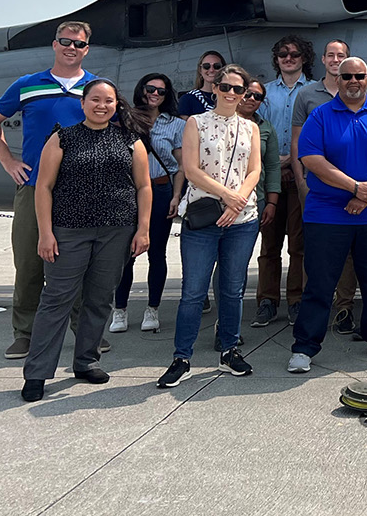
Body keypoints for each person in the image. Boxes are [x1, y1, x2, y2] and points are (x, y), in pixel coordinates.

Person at [21, 79, 151, 401]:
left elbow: (144, 187)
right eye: (95, 99)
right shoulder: (62, 138)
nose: (101, 106)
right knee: (56, 300)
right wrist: (46, 232)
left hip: (116, 231)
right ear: (83, 103)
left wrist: (143, 229)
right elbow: (43, 188)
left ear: (115, 105)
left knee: (99, 298)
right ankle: (37, 373)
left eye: (108, 101)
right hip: (68, 232)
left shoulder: (130, 141)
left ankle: (86, 361)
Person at [0, 20, 103, 361]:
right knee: (30, 262)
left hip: (81, 191)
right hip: (34, 187)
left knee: (81, 264)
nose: (71, 48)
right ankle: (25, 334)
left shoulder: (95, 87)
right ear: (54, 44)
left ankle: (86, 332)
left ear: (86, 49)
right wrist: (8, 161)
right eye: (65, 41)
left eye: (78, 44)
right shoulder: (28, 85)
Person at [288, 57, 367, 373]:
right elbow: (311, 158)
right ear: (338, 81)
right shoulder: (321, 116)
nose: (353, 81)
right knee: (320, 283)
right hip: (328, 215)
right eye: (347, 77)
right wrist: (355, 188)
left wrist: (366, 195)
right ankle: (304, 347)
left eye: (359, 76)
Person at [157, 65, 262, 388]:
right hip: (204, 216)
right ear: (214, 88)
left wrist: (238, 201)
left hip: (242, 220)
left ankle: (229, 350)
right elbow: (191, 169)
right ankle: (182, 356)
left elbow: (254, 170)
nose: (232, 94)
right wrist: (228, 196)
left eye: (239, 90)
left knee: (232, 289)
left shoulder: (250, 128)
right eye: (226, 87)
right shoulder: (196, 122)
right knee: (193, 291)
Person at [110, 73, 184, 335]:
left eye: (161, 91)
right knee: (126, 255)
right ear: (141, 90)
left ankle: (152, 308)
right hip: (131, 191)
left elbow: (181, 166)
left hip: (162, 188)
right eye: (150, 89)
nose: (155, 94)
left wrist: (176, 196)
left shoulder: (175, 125)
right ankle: (120, 310)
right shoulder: (126, 120)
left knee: (157, 253)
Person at [285, 38, 349, 329]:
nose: (336, 60)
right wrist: (301, 181)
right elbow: (297, 141)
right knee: (315, 249)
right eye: (331, 55)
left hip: (349, 185)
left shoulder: (355, 91)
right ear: (323, 60)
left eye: (341, 56)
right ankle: (313, 309)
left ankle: (344, 308)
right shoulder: (308, 95)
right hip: (315, 186)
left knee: (347, 250)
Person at [254, 34, 315, 329]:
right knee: (269, 242)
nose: (288, 58)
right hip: (271, 175)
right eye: (282, 54)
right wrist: (277, 165)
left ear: (304, 58)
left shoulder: (314, 91)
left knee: (299, 243)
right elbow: (260, 133)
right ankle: (267, 300)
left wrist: (292, 161)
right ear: (276, 59)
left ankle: (296, 299)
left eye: (294, 54)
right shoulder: (264, 93)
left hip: (303, 173)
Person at [238, 79, 281, 223]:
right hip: (222, 195)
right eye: (248, 94)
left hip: (256, 198)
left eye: (258, 97)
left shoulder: (266, 128)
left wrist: (272, 203)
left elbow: (273, 166)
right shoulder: (220, 123)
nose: (251, 99)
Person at [177, 50, 226, 117]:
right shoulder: (188, 99)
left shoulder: (230, 97)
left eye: (217, 66)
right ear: (200, 70)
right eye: (206, 66)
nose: (211, 70)